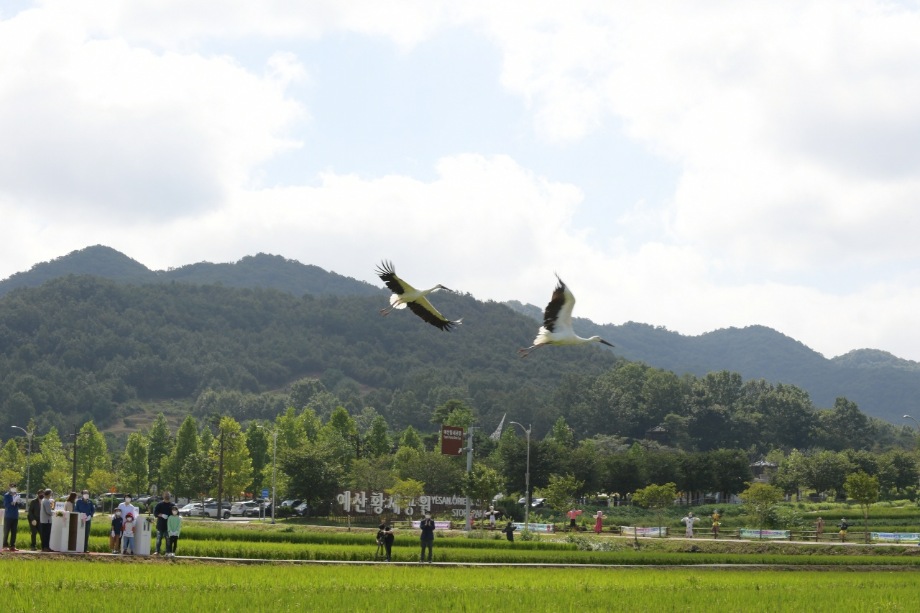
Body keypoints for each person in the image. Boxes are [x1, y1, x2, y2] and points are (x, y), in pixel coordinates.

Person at [3, 483, 20, 551]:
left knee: (14, 531)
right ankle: (4, 544)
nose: (13, 489)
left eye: (14, 487)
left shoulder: (17, 495)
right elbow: (6, 505)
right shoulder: (7, 495)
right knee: (6, 531)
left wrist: (18, 501)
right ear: (9, 488)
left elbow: (20, 505)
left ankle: (12, 545)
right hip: (8, 516)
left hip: (15, 516)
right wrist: (13, 502)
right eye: (12, 487)